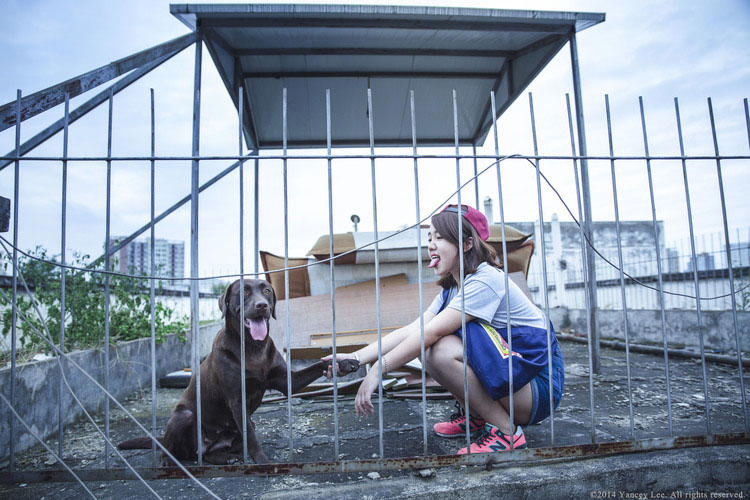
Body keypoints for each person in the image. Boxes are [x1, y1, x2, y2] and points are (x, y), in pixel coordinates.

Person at [323, 204, 564, 454]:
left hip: (538, 389)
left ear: (468, 244)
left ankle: (507, 432)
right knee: (424, 346)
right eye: (429, 238)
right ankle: (477, 418)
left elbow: (431, 334)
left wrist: (377, 370)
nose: (431, 245)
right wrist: (355, 358)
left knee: (438, 348)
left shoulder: (486, 279)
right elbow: (414, 329)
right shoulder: (453, 290)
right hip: (514, 380)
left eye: (439, 237)